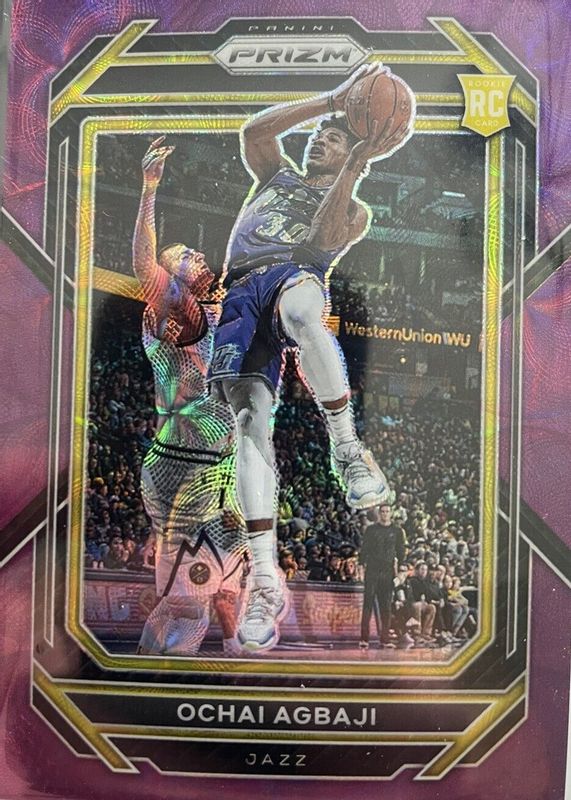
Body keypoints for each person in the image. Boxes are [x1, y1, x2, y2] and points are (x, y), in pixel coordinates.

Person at [207, 64, 412, 652]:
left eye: (334, 135)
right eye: (319, 134)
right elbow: (254, 131)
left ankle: (346, 448)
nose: (319, 138)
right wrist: (332, 100)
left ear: (354, 149)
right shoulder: (276, 175)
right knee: (249, 422)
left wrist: (353, 167)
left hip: (295, 274)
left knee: (303, 311)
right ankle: (263, 580)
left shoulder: (356, 209)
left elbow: (320, 240)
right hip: (240, 292)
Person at [132, 137, 248, 657]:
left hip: (200, 465)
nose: (197, 254)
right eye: (185, 254)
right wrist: (149, 190)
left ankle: (147, 671)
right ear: (172, 275)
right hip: (190, 467)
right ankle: (171, 677)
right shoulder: (182, 313)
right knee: (191, 601)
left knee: (204, 587)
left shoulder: (206, 313)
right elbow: (143, 266)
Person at [358, 504, 407, 649]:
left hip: (387, 571)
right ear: (379, 514)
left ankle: (384, 639)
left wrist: (401, 569)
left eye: (387, 511)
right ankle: (364, 638)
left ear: (391, 513)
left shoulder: (397, 531)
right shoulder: (371, 529)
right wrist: (360, 566)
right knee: (368, 604)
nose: (385, 514)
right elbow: (364, 549)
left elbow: (401, 551)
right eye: (382, 512)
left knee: (386, 606)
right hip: (372, 571)